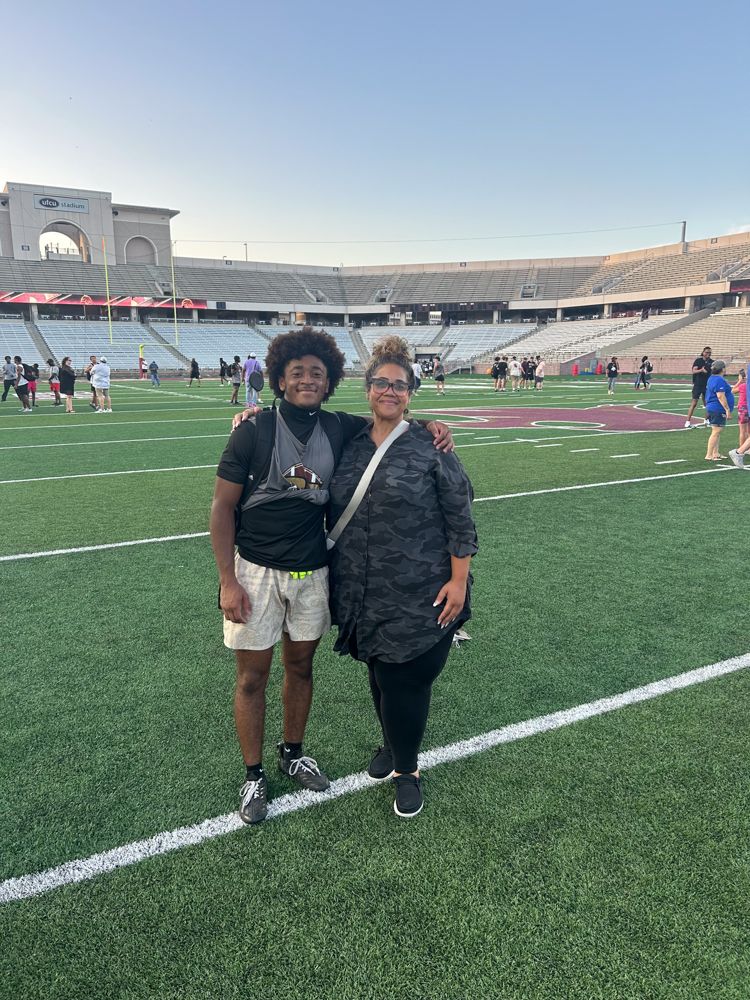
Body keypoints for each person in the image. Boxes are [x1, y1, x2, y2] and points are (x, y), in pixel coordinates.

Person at [210, 327, 454, 825]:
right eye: (296, 372)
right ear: (278, 378)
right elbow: (221, 508)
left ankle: (293, 751)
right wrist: (227, 581)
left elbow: (390, 419)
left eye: (316, 374)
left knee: (301, 669)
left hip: (313, 573)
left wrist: (431, 423)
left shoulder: (340, 427)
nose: (306, 380)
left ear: (330, 382)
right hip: (255, 573)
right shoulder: (253, 430)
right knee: (252, 677)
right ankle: (254, 774)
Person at [328, 336, 477, 818]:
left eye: (400, 385)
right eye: (381, 383)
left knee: (404, 677)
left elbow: (461, 517)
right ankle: (393, 743)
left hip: (421, 586)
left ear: (411, 392)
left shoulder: (431, 444)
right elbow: (294, 424)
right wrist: (249, 417)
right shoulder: (348, 442)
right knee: (377, 669)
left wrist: (459, 581)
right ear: (367, 387)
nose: (390, 391)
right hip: (361, 587)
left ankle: (407, 768)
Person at [704, 360, 734, 462]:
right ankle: (709, 454)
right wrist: (727, 410)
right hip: (717, 408)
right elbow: (720, 396)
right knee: (716, 431)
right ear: (722, 369)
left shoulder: (712, 378)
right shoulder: (719, 380)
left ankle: (715, 453)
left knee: (717, 431)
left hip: (713, 407)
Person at [685, 346, 712, 427]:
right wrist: (701, 370)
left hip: (707, 385)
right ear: (703, 352)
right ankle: (687, 421)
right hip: (698, 384)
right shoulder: (698, 360)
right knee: (694, 403)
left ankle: (706, 419)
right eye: (707, 352)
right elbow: (694, 371)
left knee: (707, 403)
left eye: (710, 352)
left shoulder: (711, 362)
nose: (708, 354)